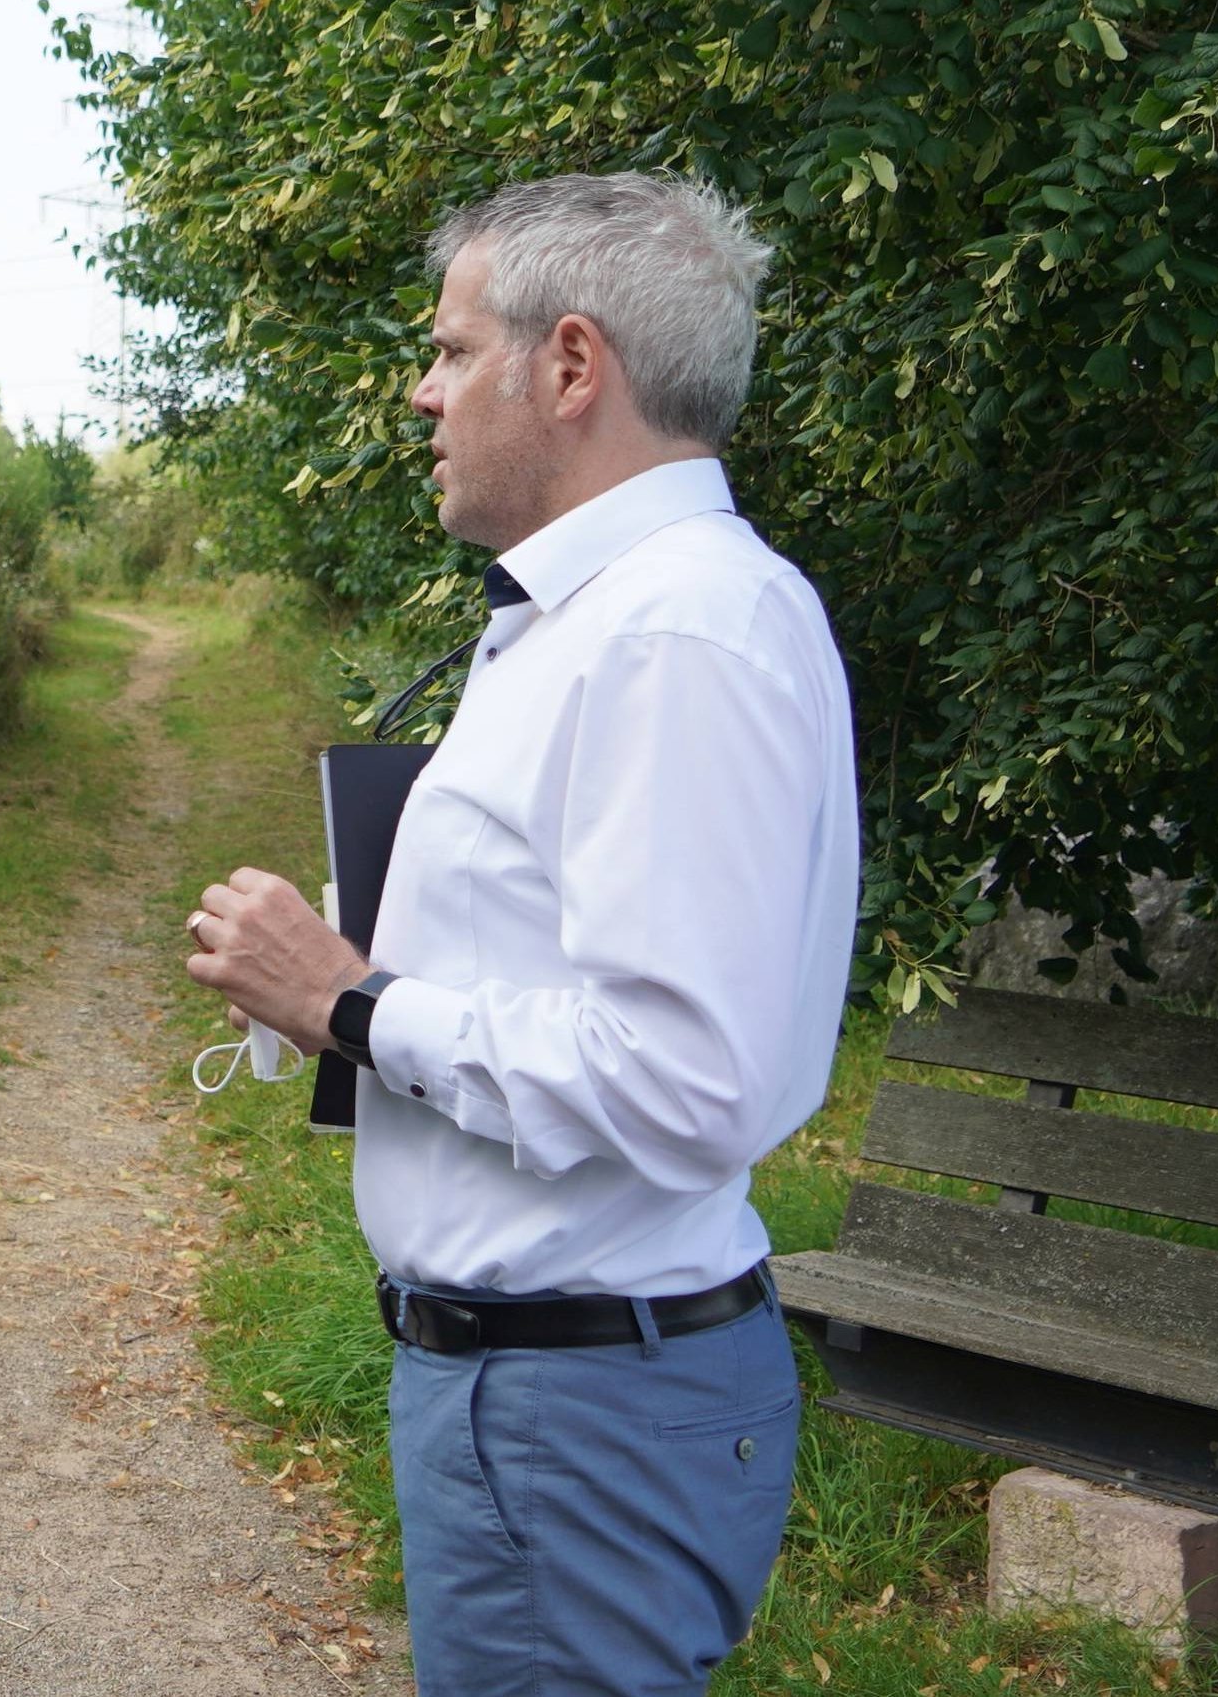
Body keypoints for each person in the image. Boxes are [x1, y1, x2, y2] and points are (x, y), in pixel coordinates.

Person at [182, 173, 857, 1695]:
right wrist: (334, 987)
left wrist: (356, 1004)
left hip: (581, 1408)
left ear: (568, 366)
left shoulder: (677, 628)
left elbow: (689, 1072)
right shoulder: (586, 615)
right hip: (552, 1394)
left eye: (449, 349)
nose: (421, 392)